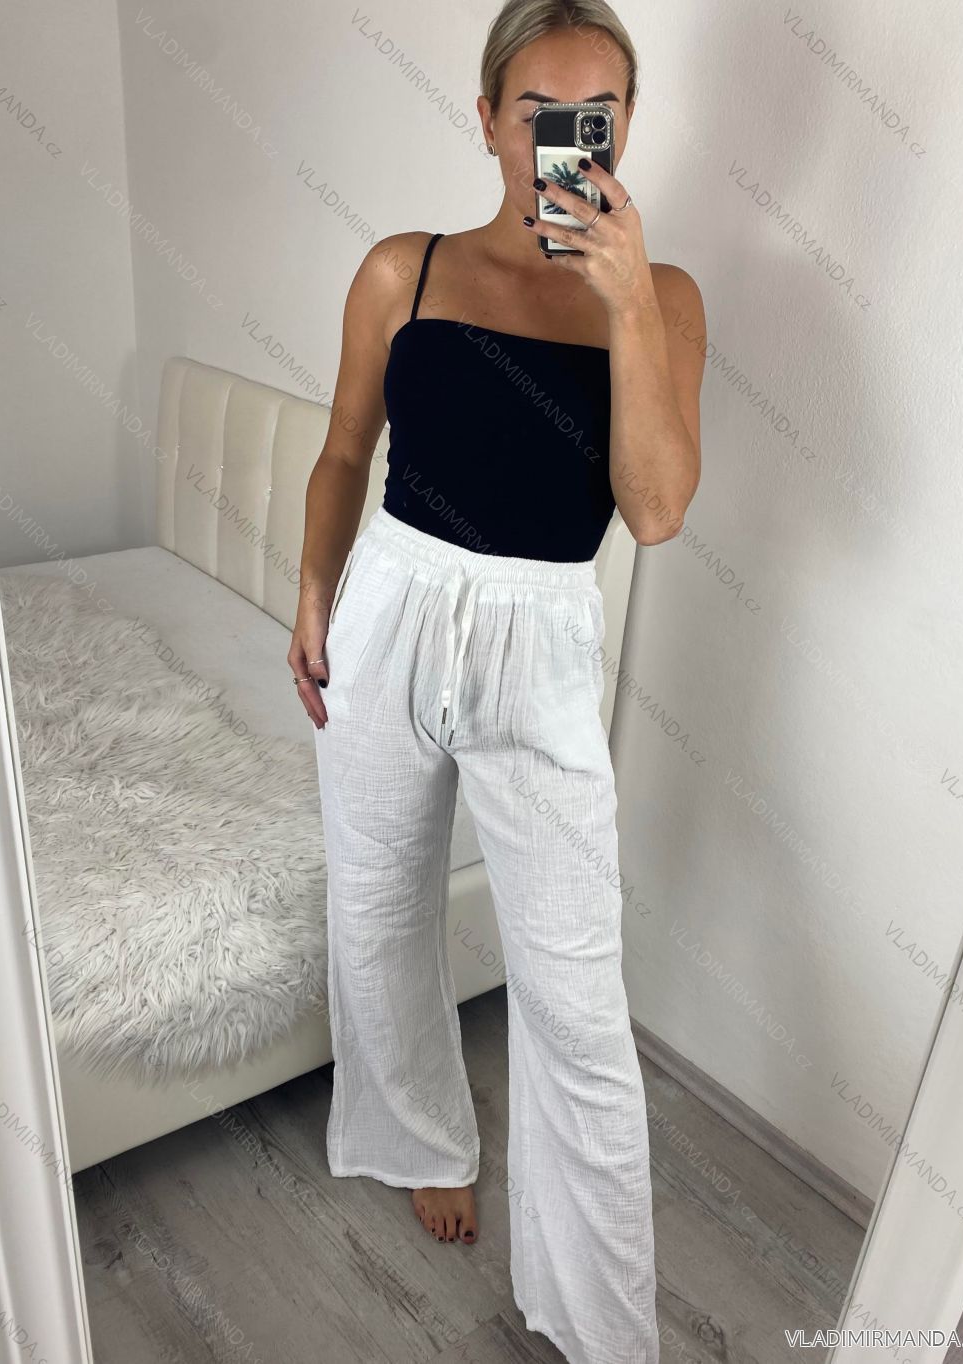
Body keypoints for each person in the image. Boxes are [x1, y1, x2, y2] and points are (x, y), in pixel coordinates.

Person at [288, 2, 704, 1359]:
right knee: (377, 909)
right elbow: (344, 451)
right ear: (487, 122)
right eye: (540, 113)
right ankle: (420, 1134)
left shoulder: (665, 297)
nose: (570, 141)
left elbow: (655, 511)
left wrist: (625, 302)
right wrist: (313, 587)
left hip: (542, 640)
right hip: (392, 611)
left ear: (628, 126)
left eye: (599, 115)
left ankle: (599, 1326)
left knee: (576, 1002)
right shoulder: (400, 271)